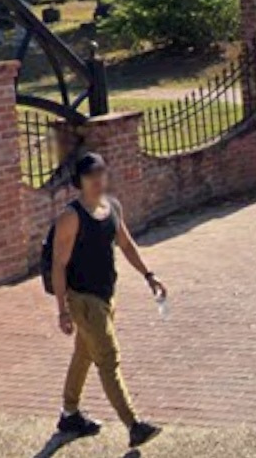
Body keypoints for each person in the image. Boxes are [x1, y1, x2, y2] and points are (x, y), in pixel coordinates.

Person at [51, 152, 165, 447]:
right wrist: (62, 310)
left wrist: (148, 275)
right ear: (79, 181)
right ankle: (134, 425)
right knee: (108, 359)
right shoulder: (71, 217)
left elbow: (125, 244)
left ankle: (69, 414)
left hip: (106, 297)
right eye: (91, 176)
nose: (98, 180)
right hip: (84, 301)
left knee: (85, 354)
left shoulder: (112, 207)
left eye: (101, 173)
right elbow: (58, 265)